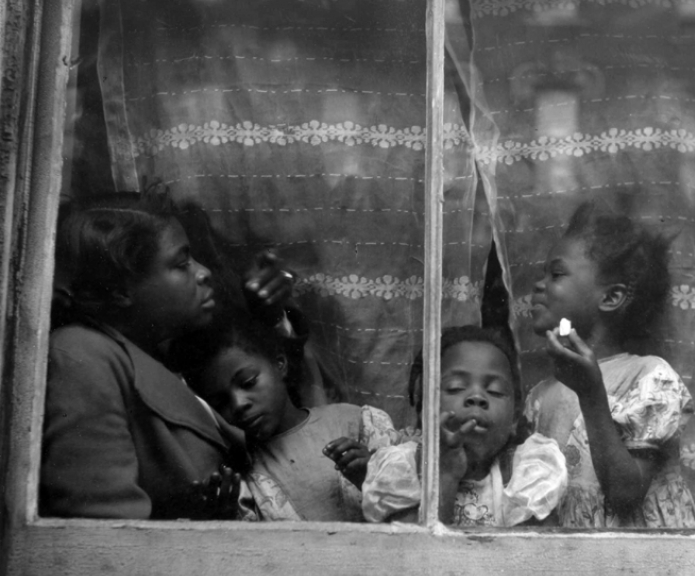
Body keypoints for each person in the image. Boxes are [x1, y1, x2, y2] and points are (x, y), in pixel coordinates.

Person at [40, 185, 293, 519]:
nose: (203, 273)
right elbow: (101, 530)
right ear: (119, 291)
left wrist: (267, 319)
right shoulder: (81, 355)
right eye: (182, 262)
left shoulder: (163, 358)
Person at [525, 201, 695, 529]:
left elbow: (625, 495)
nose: (539, 284)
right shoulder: (541, 396)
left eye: (556, 273)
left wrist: (592, 393)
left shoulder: (649, 378)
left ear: (610, 297)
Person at [182, 313, 408, 522]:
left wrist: (373, 473)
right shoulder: (240, 472)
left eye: (248, 383)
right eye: (221, 402)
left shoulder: (355, 422)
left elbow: (412, 503)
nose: (238, 404)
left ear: (280, 364)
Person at [361, 326, 567, 527]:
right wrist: (446, 477)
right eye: (456, 387)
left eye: (494, 391)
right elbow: (415, 555)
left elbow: (535, 556)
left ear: (514, 416)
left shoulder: (528, 473)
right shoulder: (403, 470)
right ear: (425, 406)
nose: (476, 397)